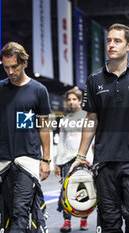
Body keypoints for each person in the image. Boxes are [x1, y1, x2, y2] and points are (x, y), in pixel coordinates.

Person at [69, 23, 129, 233]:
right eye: (109, 40)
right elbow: (91, 119)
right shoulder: (95, 80)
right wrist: (80, 156)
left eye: (117, 41)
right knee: (109, 222)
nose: (111, 45)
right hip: (104, 162)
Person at [0, 42, 51, 232]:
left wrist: (46, 159)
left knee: (20, 212)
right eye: (6, 67)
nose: (10, 71)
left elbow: (44, 127)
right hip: (4, 162)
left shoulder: (39, 90)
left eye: (14, 66)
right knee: (7, 212)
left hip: (28, 160)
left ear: (24, 63)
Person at [55, 87, 93, 232]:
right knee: (66, 191)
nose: (71, 102)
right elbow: (61, 143)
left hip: (85, 160)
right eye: (69, 100)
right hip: (67, 160)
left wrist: (91, 159)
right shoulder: (64, 120)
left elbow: (93, 139)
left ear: (79, 100)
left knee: (86, 189)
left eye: (74, 99)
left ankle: (84, 220)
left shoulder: (88, 117)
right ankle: (67, 221)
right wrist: (58, 163)